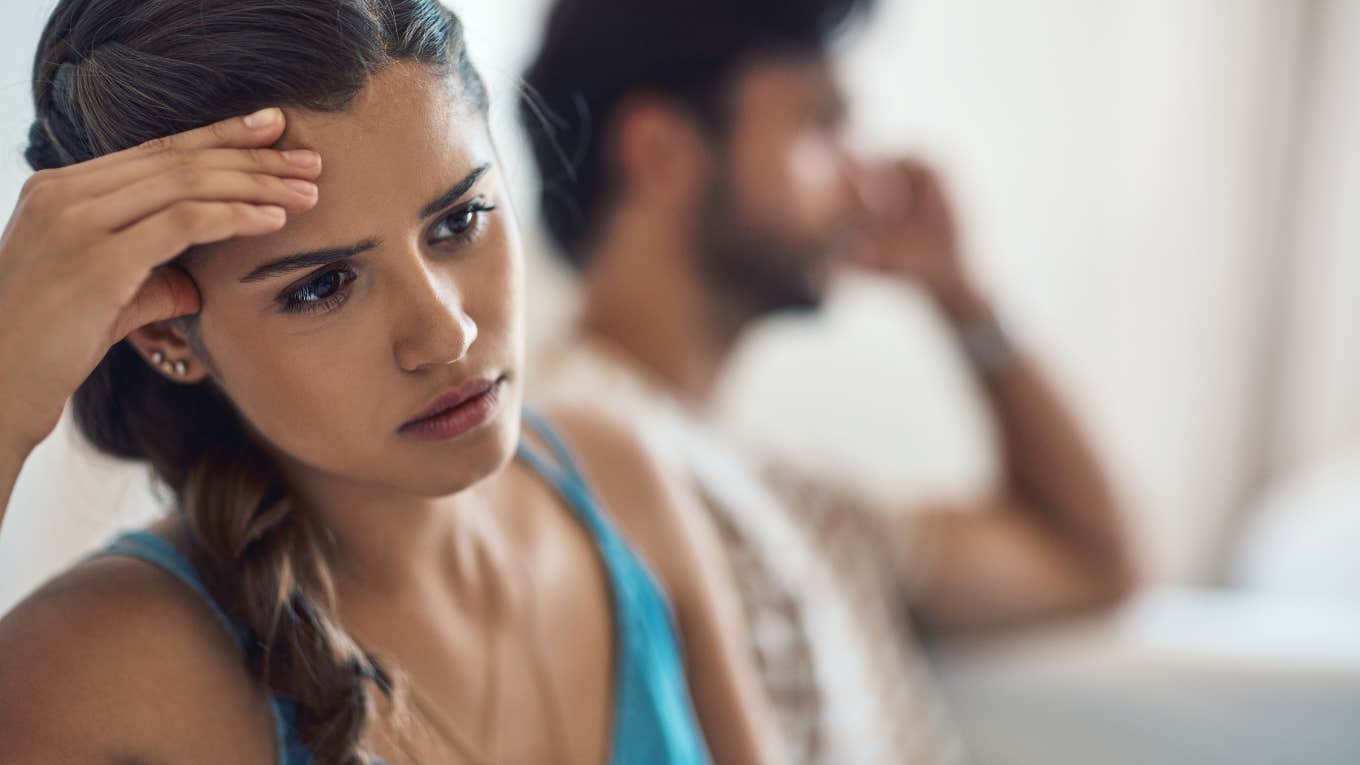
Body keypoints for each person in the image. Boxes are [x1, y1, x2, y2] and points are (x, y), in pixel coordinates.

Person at [0, 2, 782, 763]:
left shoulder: (621, 482)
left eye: (459, 221)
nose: (448, 335)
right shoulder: (100, 670)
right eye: (321, 284)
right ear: (167, 330)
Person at [521, 0, 1137, 762]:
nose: (866, 184)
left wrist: (964, 296)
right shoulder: (559, 459)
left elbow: (1088, 559)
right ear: (661, 152)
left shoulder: (786, 486)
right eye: (819, 125)